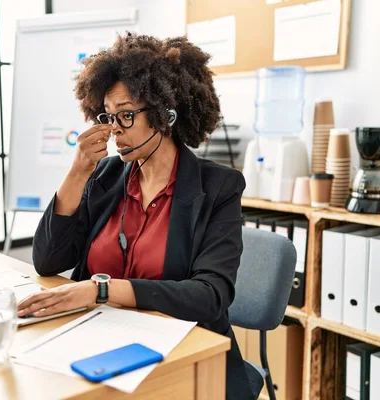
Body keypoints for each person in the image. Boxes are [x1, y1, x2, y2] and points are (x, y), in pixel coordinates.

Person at [17, 33, 260, 399]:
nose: (114, 129)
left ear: (166, 114)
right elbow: (48, 260)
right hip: (104, 342)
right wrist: (78, 171)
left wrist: (101, 290)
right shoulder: (106, 176)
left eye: (126, 115)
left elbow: (210, 296)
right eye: (108, 116)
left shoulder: (219, 187)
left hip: (183, 354)